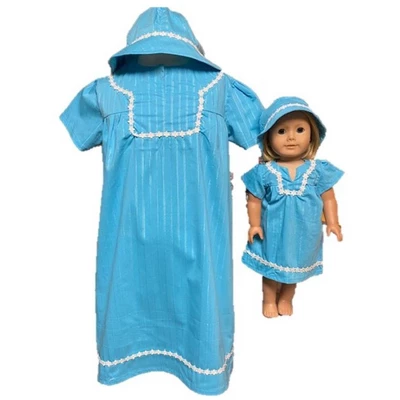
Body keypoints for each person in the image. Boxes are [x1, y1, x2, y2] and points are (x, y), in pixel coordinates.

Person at [59, 7, 263, 395]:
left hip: (148, 248)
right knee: (195, 304)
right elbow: (255, 130)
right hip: (174, 247)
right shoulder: (107, 92)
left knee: (189, 304)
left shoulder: (218, 88)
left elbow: (265, 138)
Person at [241, 96, 343, 318]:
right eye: (281, 131)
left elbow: (329, 198)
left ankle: (286, 297)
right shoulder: (265, 171)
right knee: (271, 265)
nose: (291, 137)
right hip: (273, 232)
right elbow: (254, 199)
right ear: (268, 138)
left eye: (299, 130)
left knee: (295, 265)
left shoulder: (318, 170)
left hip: (305, 232)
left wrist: (333, 222)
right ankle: (269, 299)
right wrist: (254, 225)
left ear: (312, 134)